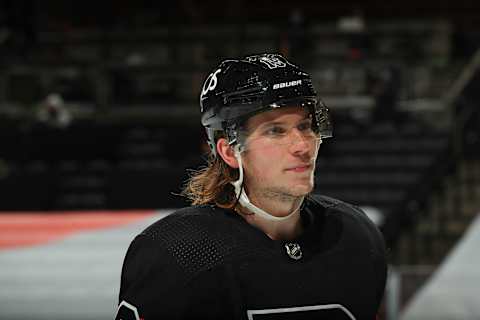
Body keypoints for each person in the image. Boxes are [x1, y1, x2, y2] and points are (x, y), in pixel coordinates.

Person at [116, 53, 387, 320]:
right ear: (230, 151)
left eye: (305, 127)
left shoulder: (354, 236)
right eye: (275, 131)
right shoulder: (177, 253)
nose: (302, 146)